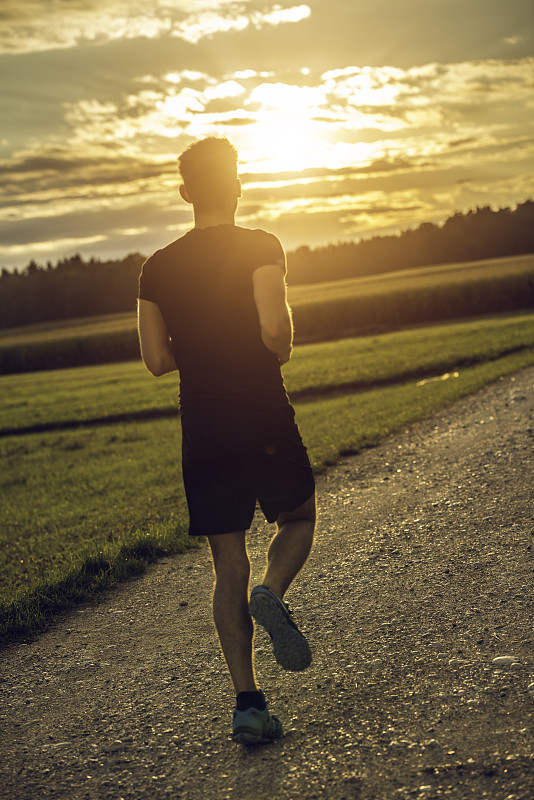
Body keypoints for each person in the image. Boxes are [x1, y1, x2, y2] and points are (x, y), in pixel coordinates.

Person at [137, 136, 316, 745]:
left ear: (185, 192)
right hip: (262, 408)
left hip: (204, 422)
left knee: (225, 561)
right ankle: (274, 590)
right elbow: (273, 326)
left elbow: (156, 360)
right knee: (297, 516)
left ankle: (247, 705)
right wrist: (282, 346)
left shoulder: (156, 267)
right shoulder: (262, 246)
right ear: (237, 184)